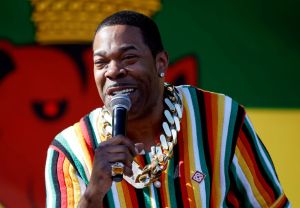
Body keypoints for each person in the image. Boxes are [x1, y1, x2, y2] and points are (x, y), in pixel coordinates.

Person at [45, 10, 289, 207]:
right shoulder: (71, 150)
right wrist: (93, 193)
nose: (113, 72)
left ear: (160, 62)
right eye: (101, 63)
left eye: (129, 58)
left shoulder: (220, 118)